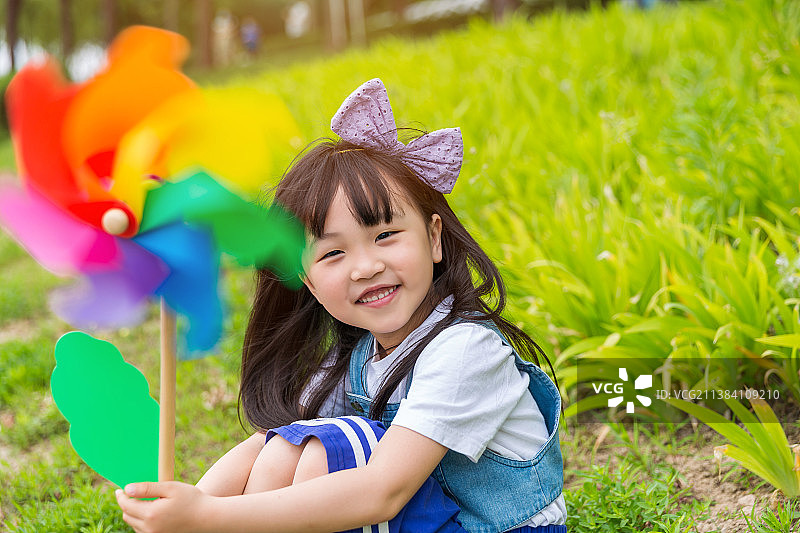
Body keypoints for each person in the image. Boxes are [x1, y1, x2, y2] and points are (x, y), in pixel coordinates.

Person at [116, 78, 567, 533]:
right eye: (334, 253)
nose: (366, 267)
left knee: (334, 449)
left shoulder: (466, 349)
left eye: (385, 235)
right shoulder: (356, 361)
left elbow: (382, 492)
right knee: (288, 444)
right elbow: (265, 444)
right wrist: (187, 506)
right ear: (308, 281)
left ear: (434, 238)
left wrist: (209, 517)